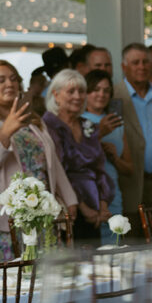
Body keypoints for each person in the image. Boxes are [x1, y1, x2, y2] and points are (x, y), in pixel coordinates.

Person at [0, 60, 78, 261]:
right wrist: (6, 131)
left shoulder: (33, 119)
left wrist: (69, 198)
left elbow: (52, 161)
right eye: (1, 80)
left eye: (14, 79)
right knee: (2, 284)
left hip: (37, 215)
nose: (10, 84)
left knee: (37, 279)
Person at [112, 43, 152, 233]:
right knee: (133, 247)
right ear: (124, 67)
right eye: (135, 63)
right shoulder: (115, 97)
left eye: (145, 62)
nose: (141, 66)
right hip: (130, 184)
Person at [43, 69, 115, 242]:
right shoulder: (48, 126)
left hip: (95, 208)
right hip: (67, 208)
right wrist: (84, 208)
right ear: (56, 94)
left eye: (81, 91)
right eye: (71, 91)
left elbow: (99, 166)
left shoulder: (87, 125)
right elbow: (59, 171)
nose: (77, 96)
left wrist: (103, 204)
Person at [82, 69, 131, 245]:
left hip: (113, 193)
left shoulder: (116, 123)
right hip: (87, 195)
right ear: (86, 92)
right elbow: (75, 159)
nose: (101, 94)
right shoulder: (78, 121)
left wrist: (114, 158)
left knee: (114, 246)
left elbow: (129, 168)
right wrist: (99, 134)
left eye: (106, 90)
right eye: (96, 89)